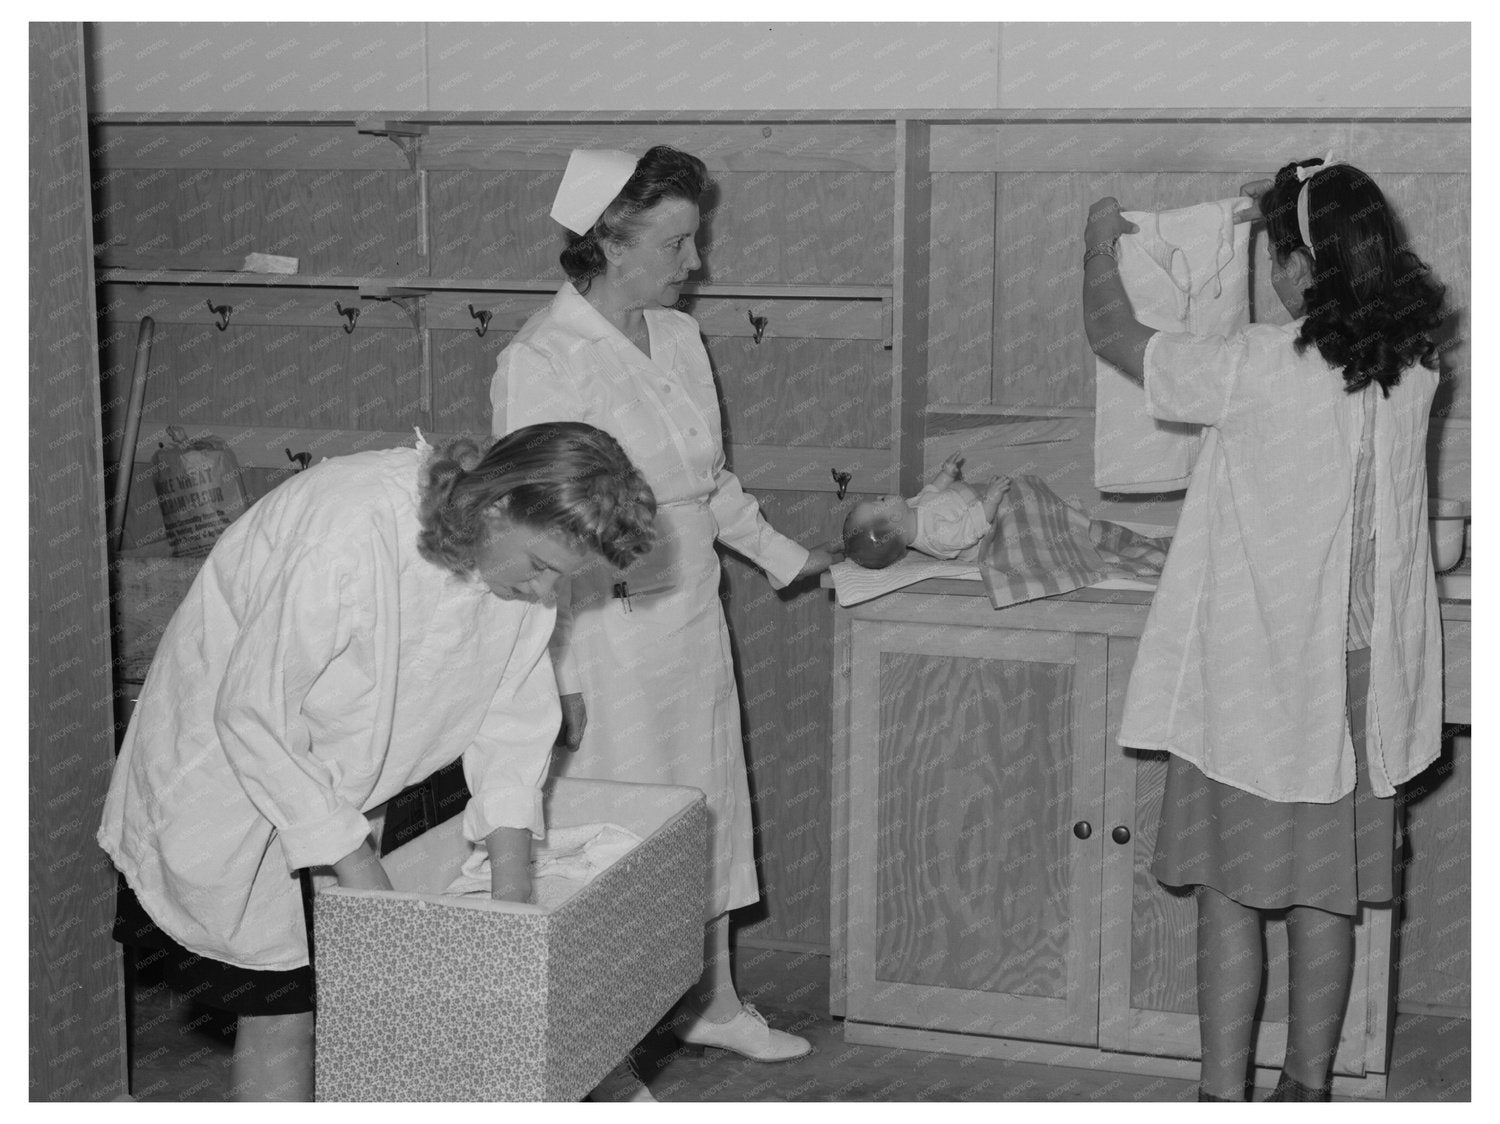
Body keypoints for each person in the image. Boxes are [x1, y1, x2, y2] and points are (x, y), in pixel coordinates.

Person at [98, 422, 657, 1101]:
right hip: (231, 769)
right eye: (541, 567)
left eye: (561, 578)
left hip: (337, 774)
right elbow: (252, 712)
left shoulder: (516, 551)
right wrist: (360, 868)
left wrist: (514, 905)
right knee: (282, 1007)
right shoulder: (351, 527)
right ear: (498, 504)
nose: (546, 594)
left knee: (347, 995)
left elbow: (512, 719)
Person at [1081, 157, 1446, 1101]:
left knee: (1231, 898)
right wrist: (1276, 216)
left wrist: (1096, 240)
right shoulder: (1413, 367)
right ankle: (1309, 1092)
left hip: (1262, 680)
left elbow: (1116, 333)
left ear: (1293, 264)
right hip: (1367, 684)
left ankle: (1220, 1098)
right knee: (1329, 903)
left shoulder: (1255, 368)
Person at [491, 145, 836, 1077]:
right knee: (617, 833)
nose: (696, 264)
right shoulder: (542, 359)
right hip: (600, 636)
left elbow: (707, 486)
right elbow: (532, 531)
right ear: (610, 238)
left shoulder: (678, 338)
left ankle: (712, 1001)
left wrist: (796, 562)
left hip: (691, 616)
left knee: (706, 803)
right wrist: (555, 678)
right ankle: (608, 1034)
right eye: (678, 242)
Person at [841, 452, 1008, 568]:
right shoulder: (935, 535)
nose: (879, 497)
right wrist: (992, 499)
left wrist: (946, 474)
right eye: (881, 502)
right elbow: (972, 528)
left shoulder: (912, 508)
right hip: (992, 533)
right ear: (895, 516)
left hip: (972, 500)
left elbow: (932, 491)